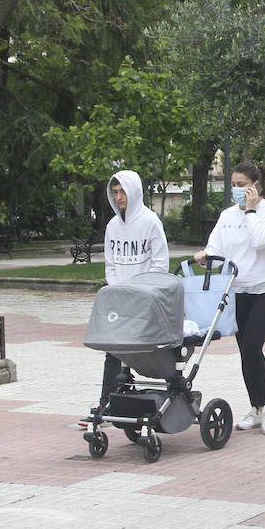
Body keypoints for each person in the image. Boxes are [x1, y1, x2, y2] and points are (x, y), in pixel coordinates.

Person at [193, 162, 265, 435]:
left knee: (253, 345)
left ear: (256, 185)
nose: (236, 190)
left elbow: (260, 241)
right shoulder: (226, 215)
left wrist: (252, 210)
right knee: (245, 350)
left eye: (241, 184)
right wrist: (205, 256)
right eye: (233, 185)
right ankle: (256, 409)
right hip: (238, 291)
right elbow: (216, 247)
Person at [97, 170, 170, 410]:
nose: (119, 197)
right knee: (114, 350)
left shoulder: (150, 222)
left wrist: (143, 293)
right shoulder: (112, 226)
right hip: (121, 300)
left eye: (123, 191)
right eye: (114, 192)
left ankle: (169, 399)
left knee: (150, 352)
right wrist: (118, 291)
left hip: (146, 300)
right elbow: (111, 265)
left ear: (134, 191)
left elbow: (160, 264)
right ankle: (107, 402)